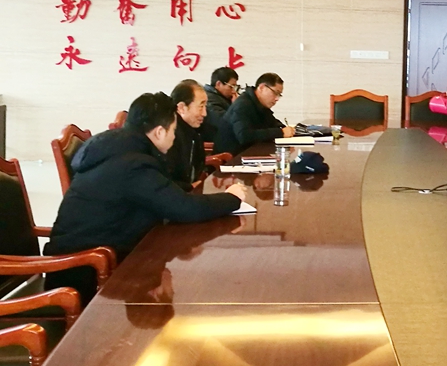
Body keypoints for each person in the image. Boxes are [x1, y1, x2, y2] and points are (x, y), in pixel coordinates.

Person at [45, 92, 247, 305]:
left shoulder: (122, 149)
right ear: (159, 132)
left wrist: (186, 189)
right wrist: (231, 198)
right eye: (173, 131)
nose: (174, 137)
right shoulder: (133, 163)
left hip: (96, 258)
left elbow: (156, 189)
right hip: (84, 274)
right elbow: (185, 208)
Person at [216, 72, 295, 155]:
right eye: (275, 93)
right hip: (232, 157)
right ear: (261, 87)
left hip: (251, 153)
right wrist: (280, 132)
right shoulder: (243, 105)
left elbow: (273, 123)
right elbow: (244, 136)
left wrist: (286, 129)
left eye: (279, 95)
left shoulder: (259, 104)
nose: (277, 99)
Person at [166, 80, 209, 191]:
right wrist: (189, 187)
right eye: (201, 106)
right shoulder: (168, 135)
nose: (204, 113)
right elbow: (163, 180)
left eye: (205, 106)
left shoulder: (192, 130)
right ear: (181, 108)